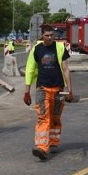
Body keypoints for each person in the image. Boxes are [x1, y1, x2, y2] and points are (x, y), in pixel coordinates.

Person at [23, 23, 73, 161]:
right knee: (43, 117)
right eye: (47, 36)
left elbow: (65, 69)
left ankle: (54, 142)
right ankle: (41, 147)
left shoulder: (60, 47)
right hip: (42, 89)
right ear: (42, 35)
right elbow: (30, 69)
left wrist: (70, 90)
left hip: (58, 89)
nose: (50, 38)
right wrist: (27, 91)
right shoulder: (36, 49)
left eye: (52, 35)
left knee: (55, 117)